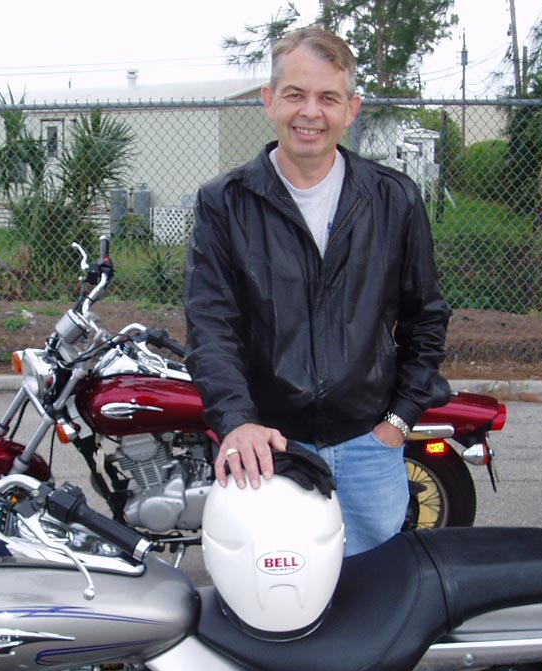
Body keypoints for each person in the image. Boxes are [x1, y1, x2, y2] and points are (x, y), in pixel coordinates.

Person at [183, 25, 450, 556]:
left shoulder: (393, 199)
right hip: (270, 448)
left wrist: (397, 423)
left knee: (375, 589)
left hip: (370, 446)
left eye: (328, 97)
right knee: (274, 589)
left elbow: (426, 317)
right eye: (295, 94)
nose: (311, 112)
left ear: (351, 109)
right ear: (269, 101)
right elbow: (211, 327)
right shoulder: (225, 203)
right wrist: (238, 423)